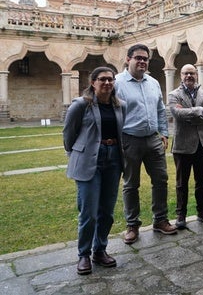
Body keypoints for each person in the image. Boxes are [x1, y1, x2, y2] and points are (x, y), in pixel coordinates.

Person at [63, 66, 126, 275]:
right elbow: (68, 135)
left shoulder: (120, 106)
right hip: (89, 160)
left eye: (110, 79)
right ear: (93, 82)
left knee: (106, 211)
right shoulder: (81, 105)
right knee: (88, 212)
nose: (107, 83)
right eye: (102, 79)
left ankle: (100, 250)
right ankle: (83, 255)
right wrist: (76, 155)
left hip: (113, 159)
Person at [114, 43, 177, 244]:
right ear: (128, 59)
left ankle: (160, 220)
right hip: (129, 139)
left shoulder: (153, 82)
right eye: (138, 58)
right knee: (131, 184)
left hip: (152, 139)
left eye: (145, 59)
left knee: (161, 180)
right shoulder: (117, 83)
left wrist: (164, 132)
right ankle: (132, 225)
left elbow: (160, 109)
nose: (142, 61)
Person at [168, 64, 203, 228]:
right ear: (181, 75)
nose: (189, 76)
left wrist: (188, 112)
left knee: (202, 181)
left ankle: (202, 211)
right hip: (182, 145)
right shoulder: (174, 94)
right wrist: (198, 110)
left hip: (202, 144)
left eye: (192, 73)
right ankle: (181, 214)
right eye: (186, 73)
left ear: (196, 75)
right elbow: (176, 113)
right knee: (182, 182)